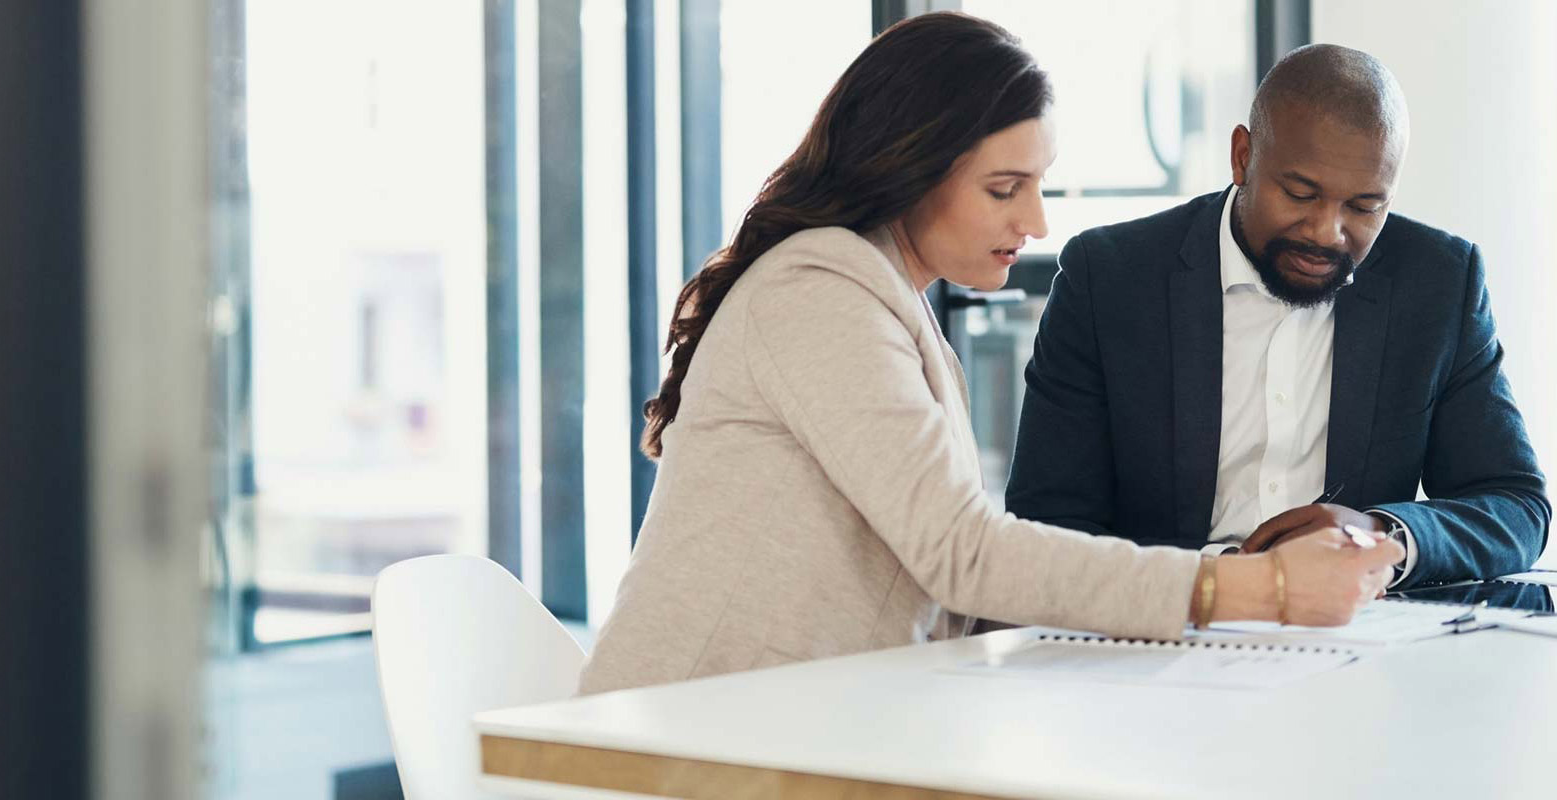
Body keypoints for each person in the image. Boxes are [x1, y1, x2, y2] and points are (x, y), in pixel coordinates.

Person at [578, 14, 1403, 696]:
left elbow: (956, 581)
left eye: (1039, 185)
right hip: (679, 743)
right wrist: (1256, 590)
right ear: (909, 169)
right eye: (1004, 189)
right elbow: (964, 555)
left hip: (794, 724)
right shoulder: (816, 296)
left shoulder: (888, 308)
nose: (1037, 223)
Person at [1005, 44, 1547, 590]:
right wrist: (1214, 589)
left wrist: (1382, 536)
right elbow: (1046, 522)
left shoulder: (1438, 281)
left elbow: (1515, 507)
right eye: (1299, 193)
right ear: (1243, 155)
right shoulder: (1110, 278)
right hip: (1162, 628)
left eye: (1364, 207)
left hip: (1362, 643)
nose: (1325, 232)